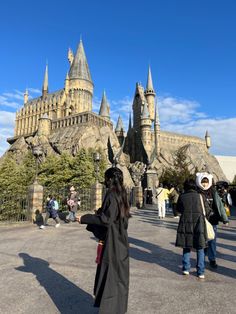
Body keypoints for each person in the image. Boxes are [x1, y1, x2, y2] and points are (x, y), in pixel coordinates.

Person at [76, 167, 130, 314]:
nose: (105, 181)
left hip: (112, 241)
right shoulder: (122, 194)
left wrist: (85, 218)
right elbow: (119, 218)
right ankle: (117, 308)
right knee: (118, 276)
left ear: (110, 179)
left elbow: (106, 219)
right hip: (120, 238)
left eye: (106, 178)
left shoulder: (111, 194)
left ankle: (109, 309)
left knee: (110, 275)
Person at [175, 179, 210, 279]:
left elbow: (178, 209)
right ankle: (200, 271)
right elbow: (207, 211)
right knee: (200, 247)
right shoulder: (200, 196)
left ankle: (186, 269)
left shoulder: (182, 196)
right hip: (199, 223)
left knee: (186, 246)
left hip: (185, 223)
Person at [196, 172, 229, 269]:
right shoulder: (197, 192)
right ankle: (201, 260)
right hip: (201, 220)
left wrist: (225, 219)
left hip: (212, 220)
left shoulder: (213, 192)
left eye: (206, 182)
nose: (205, 184)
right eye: (203, 182)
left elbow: (220, 206)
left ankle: (212, 259)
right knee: (201, 240)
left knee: (212, 240)